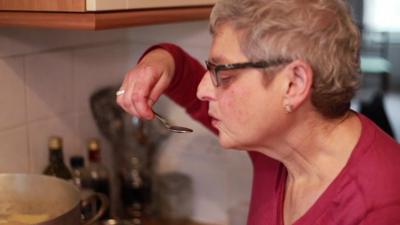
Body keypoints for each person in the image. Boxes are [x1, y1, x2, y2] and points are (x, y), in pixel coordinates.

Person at [116, 0, 400, 224]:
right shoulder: (276, 140)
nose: (202, 90)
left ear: (294, 84)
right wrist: (160, 60)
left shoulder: (381, 206)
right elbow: (178, 71)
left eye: (224, 76)